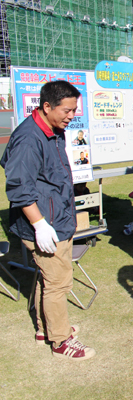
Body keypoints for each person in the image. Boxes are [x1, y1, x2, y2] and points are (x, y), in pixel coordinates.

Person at [1, 80, 95, 360]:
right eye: (67, 110)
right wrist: (39, 224)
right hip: (45, 224)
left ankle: (47, 328)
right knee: (58, 282)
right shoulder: (29, 138)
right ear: (46, 106)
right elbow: (17, 185)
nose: (71, 115)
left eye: (74, 110)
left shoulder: (53, 130)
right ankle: (60, 341)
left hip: (59, 219)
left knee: (49, 277)